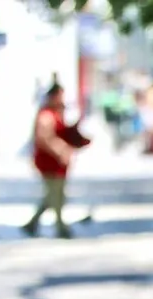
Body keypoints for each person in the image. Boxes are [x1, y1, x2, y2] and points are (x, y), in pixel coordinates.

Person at [22, 82, 89, 239]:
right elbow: (44, 138)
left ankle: (32, 224)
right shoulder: (46, 115)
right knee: (55, 194)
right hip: (49, 161)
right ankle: (61, 227)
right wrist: (61, 150)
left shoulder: (57, 113)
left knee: (54, 194)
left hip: (57, 162)